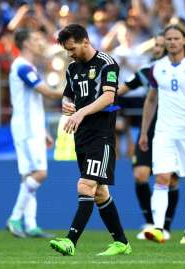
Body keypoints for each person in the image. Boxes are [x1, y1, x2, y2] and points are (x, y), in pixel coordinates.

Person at [49, 24, 131, 256]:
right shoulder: (73, 68)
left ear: (85, 41)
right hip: (82, 135)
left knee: (85, 185)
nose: (70, 54)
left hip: (101, 134)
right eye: (66, 50)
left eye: (72, 48)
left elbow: (108, 96)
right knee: (99, 192)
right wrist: (66, 102)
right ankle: (122, 243)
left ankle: (70, 241)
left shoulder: (106, 63)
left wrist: (80, 112)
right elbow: (69, 93)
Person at [139, 23, 185, 244]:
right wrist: (144, 132)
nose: (171, 42)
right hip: (164, 132)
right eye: (168, 39)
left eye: (175, 38)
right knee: (161, 177)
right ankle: (158, 228)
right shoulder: (156, 67)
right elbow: (151, 100)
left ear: (184, 41)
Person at [118, 32, 179, 240]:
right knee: (141, 175)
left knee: (170, 180)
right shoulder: (148, 71)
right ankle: (150, 222)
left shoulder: (182, 69)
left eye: (161, 45)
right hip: (151, 127)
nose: (157, 49)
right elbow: (123, 88)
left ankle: (166, 226)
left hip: (174, 128)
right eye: (156, 45)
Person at [6, 28, 62, 238]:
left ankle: (30, 224)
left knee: (28, 177)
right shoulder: (21, 66)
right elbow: (45, 91)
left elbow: (35, 102)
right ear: (27, 43)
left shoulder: (28, 66)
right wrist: (71, 91)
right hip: (27, 128)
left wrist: (44, 129)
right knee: (40, 174)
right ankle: (14, 217)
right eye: (37, 38)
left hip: (33, 127)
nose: (41, 42)